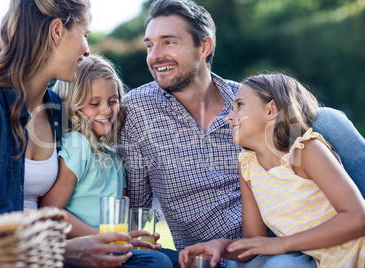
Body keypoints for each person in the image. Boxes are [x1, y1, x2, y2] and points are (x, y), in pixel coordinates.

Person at [117, 0, 365, 267]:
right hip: (224, 250)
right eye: (149, 45)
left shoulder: (247, 101)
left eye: (168, 42)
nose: (155, 55)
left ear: (204, 47)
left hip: (288, 225)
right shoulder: (136, 110)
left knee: (327, 118)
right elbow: (135, 203)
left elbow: (299, 152)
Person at [0, 1, 163, 267]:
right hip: (13, 259)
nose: (88, 49)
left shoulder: (56, 109)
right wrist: (67, 251)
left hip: (50, 253)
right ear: (57, 31)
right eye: (85, 34)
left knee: (159, 260)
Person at [178, 73, 365, 268]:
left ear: (271, 109)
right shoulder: (248, 168)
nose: (228, 118)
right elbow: (256, 242)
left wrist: (282, 243)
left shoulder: (305, 150)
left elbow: (358, 217)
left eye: (239, 105)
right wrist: (221, 246)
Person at [40, 54, 172, 267]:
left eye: (113, 101)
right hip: (80, 253)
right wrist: (102, 240)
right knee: (159, 263)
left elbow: (121, 223)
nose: (107, 110)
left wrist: (133, 238)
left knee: (179, 259)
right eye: (95, 103)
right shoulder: (77, 145)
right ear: (73, 106)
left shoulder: (115, 158)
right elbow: (51, 212)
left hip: (111, 249)